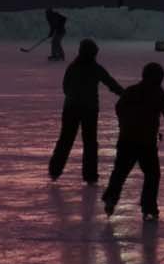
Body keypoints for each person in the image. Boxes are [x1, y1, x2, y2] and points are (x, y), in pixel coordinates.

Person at [102, 62, 164, 221]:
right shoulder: (159, 95)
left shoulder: (131, 91)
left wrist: (125, 124)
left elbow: (119, 108)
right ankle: (149, 207)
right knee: (152, 175)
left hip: (127, 140)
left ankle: (111, 199)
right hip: (146, 144)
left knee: (120, 172)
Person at [49, 38, 124, 184]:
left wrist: (73, 97)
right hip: (89, 110)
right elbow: (111, 84)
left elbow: (65, 86)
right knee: (89, 142)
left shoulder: (73, 67)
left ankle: (55, 170)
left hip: (71, 108)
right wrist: (125, 94)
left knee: (66, 139)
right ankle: (90, 175)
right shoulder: (95, 68)